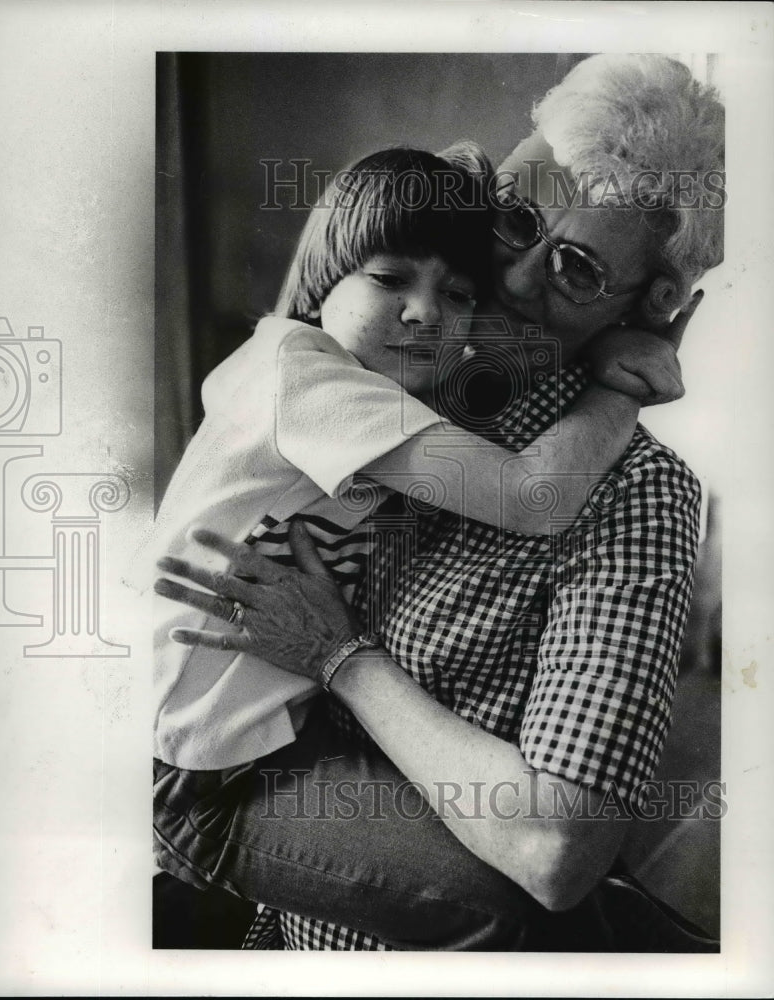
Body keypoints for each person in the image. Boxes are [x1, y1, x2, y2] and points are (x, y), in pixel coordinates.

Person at [153, 53, 724, 951]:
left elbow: (555, 849)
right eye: (515, 218)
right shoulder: (376, 378)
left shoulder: (634, 495)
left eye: (574, 265)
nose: (510, 277)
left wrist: (340, 657)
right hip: (248, 856)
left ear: (653, 306)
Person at [152, 143, 680, 772]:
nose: (427, 311)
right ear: (326, 277)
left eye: (459, 295)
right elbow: (531, 495)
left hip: (258, 727)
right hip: (201, 748)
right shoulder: (310, 380)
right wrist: (617, 389)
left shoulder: (360, 376)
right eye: (389, 280)